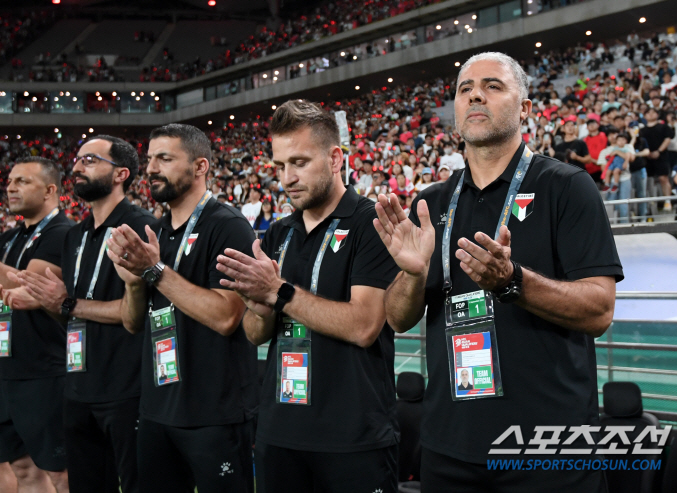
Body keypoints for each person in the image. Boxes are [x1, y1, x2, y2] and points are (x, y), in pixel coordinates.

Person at [375, 52, 622, 492]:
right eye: (464, 89)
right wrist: (412, 275)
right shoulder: (430, 203)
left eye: (492, 86)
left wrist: (512, 282)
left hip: (549, 449)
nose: (475, 95)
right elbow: (396, 317)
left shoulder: (566, 186)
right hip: (450, 447)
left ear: (525, 108)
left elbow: (600, 310)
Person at [216, 100, 400, 493]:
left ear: (335, 158)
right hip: (279, 431)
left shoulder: (371, 224)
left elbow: (365, 325)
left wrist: (277, 292)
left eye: (299, 162)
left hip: (353, 436)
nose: (287, 177)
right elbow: (254, 333)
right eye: (281, 166)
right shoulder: (277, 234)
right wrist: (260, 308)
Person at [106, 124, 258, 493]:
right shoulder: (156, 232)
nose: (152, 168)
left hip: (213, 414)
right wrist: (133, 283)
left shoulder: (229, 226)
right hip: (157, 409)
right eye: (150, 158)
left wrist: (154, 271)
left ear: (200, 166)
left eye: (165, 158)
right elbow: (132, 322)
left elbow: (226, 316)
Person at [16, 136, 156, 493]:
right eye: (77, 160)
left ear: (121, 174)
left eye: (90, 160)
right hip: (78, 386)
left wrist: (66, 304)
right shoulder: (75, 236)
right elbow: (69, 313)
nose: (77, 167)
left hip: (127, 387)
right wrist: (56, 305)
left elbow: (133, 312)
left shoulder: (139, 228)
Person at [0, 157, 72, 493]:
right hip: (7, 369)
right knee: (22, 466)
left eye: (22, 181)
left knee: (60, 473)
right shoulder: (10, 238)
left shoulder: (63, 233)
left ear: (49, 190)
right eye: (10, 181)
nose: (10, 187)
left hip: (45, 371)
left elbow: (28, 285)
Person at [639, 107, 674, 211]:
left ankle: (667, 201)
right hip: (646, 158)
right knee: (647, 181)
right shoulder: (642, 130)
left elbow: (667, 139)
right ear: (644, 116)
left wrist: (658, 151)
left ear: (657, 115)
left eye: (653, 112)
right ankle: (650, 204)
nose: (650, 114)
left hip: (661, 156)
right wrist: (647, 153)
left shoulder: (663, 127)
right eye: (648, 112)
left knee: (663, 178)